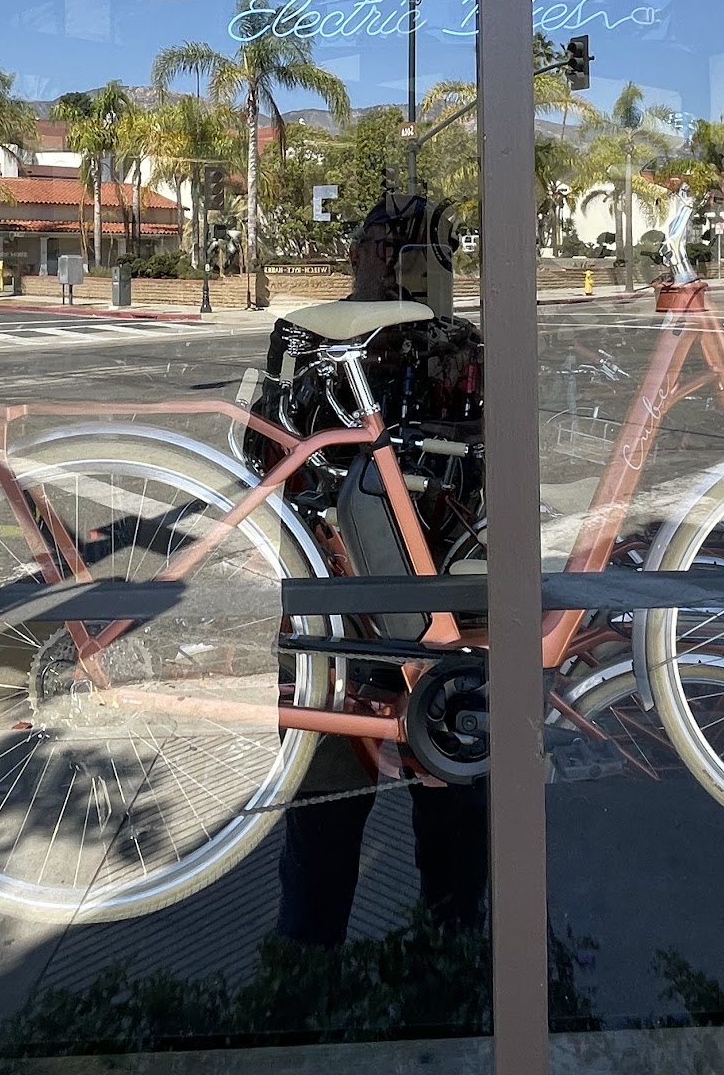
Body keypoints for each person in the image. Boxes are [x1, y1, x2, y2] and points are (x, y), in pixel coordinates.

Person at [273, 190, 488, 947]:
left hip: (442, 609)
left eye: (415, 250)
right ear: (359, 254)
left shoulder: (457, 342)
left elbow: (487, 462)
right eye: (384, 246)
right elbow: (268, 459)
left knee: (457, 827)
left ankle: (449, 974)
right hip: (336, 614)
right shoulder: (309, 335)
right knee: (321, 837)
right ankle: (306, 983)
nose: (397, 263)